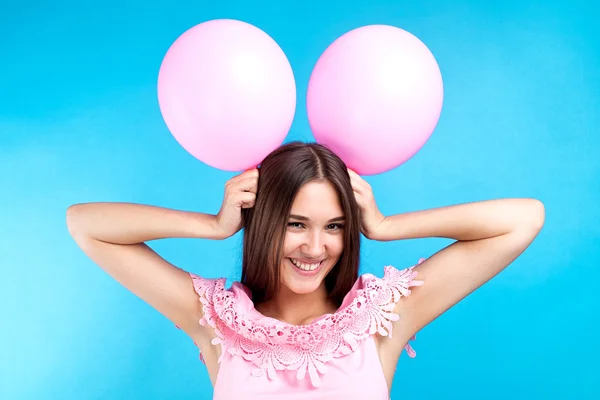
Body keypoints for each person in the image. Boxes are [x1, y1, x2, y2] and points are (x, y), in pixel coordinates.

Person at [66, 142, 545, 399]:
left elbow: (524, 219)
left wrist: (383, 225)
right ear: (267, 220)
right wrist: (213, 225)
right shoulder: (214, 319)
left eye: (335, 226)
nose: (315, 247)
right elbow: (85, 224)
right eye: (296, 223)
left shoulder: (382, 318)